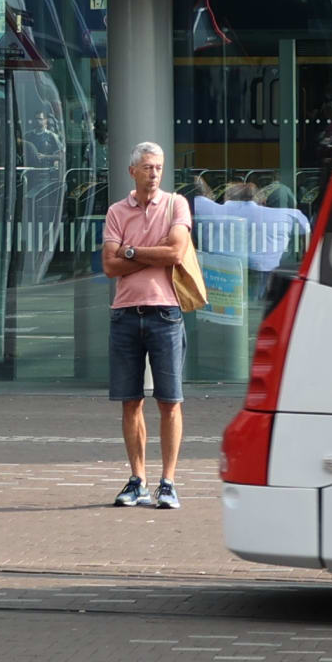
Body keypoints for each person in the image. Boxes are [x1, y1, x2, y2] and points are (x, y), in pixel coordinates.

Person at [101, 140, 196, 509]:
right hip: (125, 313)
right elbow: (109, 266)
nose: (154, 173)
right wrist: (146, 253)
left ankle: (168, 482)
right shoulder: (115, 211)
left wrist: (129, 251)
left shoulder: (176, 204)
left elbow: (175, 251)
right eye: (147, 167)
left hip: (165, 313)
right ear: (132, 171)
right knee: (130, 402)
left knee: (170, 401)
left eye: (158, 167)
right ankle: (136, 480)